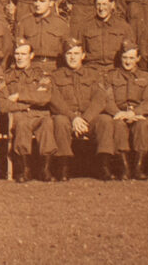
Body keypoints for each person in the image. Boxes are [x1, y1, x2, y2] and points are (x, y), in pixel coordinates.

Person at [49, 38, 115, 181]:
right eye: (69, 53)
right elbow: (55, 101)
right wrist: (74, 118)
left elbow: (100, 99)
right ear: (64, 56)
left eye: (76, 53)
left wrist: (84, 119)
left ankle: (104, 166)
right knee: (59, 121)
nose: (72, 57)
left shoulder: (94, 74)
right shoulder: (55, 76)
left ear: (83, 55)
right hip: (68, 117)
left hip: (88, 118)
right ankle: (63, 167)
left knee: (105, 120)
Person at [0, 38, 55, 182]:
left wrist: (19, 96)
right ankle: (24, 169)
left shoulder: (41, 74)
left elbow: (45, 97)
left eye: (23, 54)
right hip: (19, 115)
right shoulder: (6, 76)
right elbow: (2, 104)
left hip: (39, 114)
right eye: (17, 54)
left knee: (47, 123)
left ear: (32, 55)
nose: (19, 57)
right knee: (22, 124)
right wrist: (27, 105)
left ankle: (45, 169)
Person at [104, 40, 148, 180]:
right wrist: (117, 113)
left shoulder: (146, 77)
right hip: (118, 114)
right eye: (125, 57)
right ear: (120, 58)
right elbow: (107, 99)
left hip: (137, 114)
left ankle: (138, 167)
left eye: (132, 58)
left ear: (138, 59)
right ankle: (124, 168)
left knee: (143, 125)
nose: (128, 61)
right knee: (118, 126)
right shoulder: (110, 76)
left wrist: (135, 113)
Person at [75, 0, 135, 74]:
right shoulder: (85, 27)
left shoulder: (123, 27)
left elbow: (131, 54)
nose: (101, 8)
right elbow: (78, 52)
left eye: (104, 4)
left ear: (112, 4)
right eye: (98, 4)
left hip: (115, 71)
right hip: (91, 71)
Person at [15, 0, 71, 77]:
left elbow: (67, 52)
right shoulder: (25, 22)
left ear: (51, 3)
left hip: (54, 68)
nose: (37, 4)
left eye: (42, 1)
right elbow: (18, 50)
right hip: (31, 68)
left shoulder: (61, 24)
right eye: (35, 1)